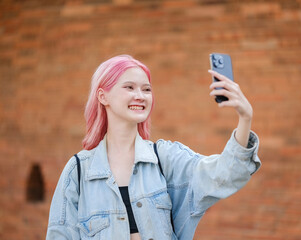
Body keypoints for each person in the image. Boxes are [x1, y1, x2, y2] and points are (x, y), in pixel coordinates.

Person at [46, 55, 261, 240]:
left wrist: (245, 118)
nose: (140, 95)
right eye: (129, 87)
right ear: (103, 96)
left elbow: (223, 174)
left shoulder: (165, 159)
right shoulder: (78, 171)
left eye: (146, 89)